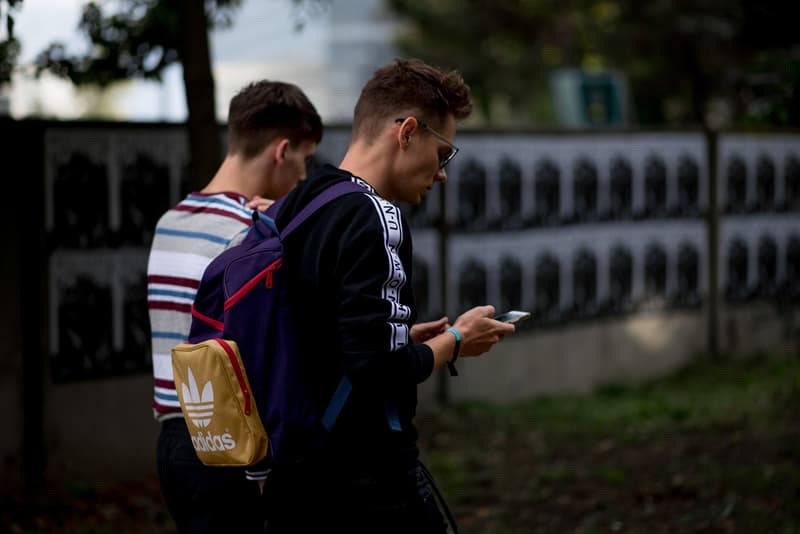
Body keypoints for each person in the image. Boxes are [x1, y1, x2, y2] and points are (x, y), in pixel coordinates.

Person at [261, 58, 516, 533]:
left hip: (291, 477)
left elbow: (316, 332)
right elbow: (376, 372)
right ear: (408, 132)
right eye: (444, 154)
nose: (442, 174)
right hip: (366, 482)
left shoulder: (299, 202)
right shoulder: (375, 215)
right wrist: (456, 341)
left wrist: (403, 335)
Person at [146, 79, 322, 533]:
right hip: (232, 450)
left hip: (174, 445)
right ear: (282, 150)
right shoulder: (251, 233)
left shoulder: (170, 220)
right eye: (305, 158)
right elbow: (258, 355)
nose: (303, 176)